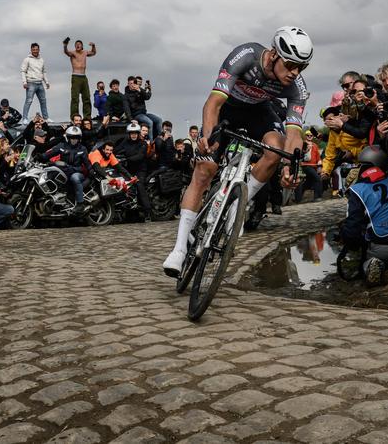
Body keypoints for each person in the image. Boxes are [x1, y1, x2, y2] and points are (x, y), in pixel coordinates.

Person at [162, 27, 311, 276]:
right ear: (274, 54)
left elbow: (294, 133)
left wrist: (290, 167)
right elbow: (213, 103)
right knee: (205, 170)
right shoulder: (245, 56)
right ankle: (178, 249)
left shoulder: (297, 86)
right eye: (291, 64)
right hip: (227, 109)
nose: (295, 72)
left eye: (302, 67)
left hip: (259, 113)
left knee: (276, 148)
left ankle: (238, 208)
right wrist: (207, 138)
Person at [341, 146, 388, 285]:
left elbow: (352, 230)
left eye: (361, 165)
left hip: (381, 248)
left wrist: (352, 244)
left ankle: (371, 264)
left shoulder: (358, 190)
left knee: (367, 258)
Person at [42, 126, 90, 213]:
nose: (74, 139)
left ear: (79, 138)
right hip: (64, 171)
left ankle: (80, 204)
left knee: (74, 178)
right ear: (67, 137)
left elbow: (87, 164)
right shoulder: (61, 146)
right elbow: (50, 153)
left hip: (77, 172)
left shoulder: (82, 149)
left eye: (76, 137)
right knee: (49, 174)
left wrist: (91, 171)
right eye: (72, 137)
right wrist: (41, 157)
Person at [115, 122, 154, 221]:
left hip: (140, 170)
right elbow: (116, 150)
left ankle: (147, 212)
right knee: (122, 186)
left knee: (139, 185)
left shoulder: (143, 143)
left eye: (135, 133)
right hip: (128, 170)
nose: (133, 135)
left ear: (138, 133)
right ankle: (128, 212)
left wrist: (126, 159)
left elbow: (140, 156)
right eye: (131, 133)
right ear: (129, 133)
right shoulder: (125, 142)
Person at [64, 37, 96, 119]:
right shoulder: (73, 53)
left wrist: (93, 46)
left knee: (86, 97)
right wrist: (65, 45)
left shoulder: (85, 52)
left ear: (82, 46)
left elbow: (93, 53)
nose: (77, 45)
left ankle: (87, 117)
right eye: (76, 44)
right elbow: (66, 52)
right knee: (75, 98)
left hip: (83, 77)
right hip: (76, 76)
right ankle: (74, 116)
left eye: (79, 44)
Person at [20, 42, 50, 122]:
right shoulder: (27, 59)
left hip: (40, 83)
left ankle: (46, 118)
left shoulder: (41, 60)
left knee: (43, 101)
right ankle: (25, 118)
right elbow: (23, 71)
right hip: (31, 83)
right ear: (31, 50)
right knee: (29, 101)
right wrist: (24, 82)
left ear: (39, 50)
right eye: (34, 50)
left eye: (37, 49)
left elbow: (44, 72)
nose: (35, 51)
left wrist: (46, 82)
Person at [294, 129, 323, 203]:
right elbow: (300, 155)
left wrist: (319, 164)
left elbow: (318, 156)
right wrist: (306, 150)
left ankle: (298, 198)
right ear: (305, 136)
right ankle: (317, 197)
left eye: (311, 135)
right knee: (317, 178)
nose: (309, 136)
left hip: (314, 166)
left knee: (308, 183)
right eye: (308, 135)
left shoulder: (315, 145)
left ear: (313, 136)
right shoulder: (303, 144)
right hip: (306, 166)